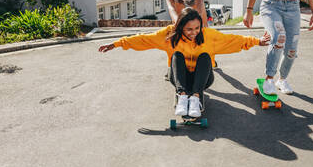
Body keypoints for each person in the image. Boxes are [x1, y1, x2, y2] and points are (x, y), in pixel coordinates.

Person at [99, 7, 270, 117]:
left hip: (203, 79)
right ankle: (182, 96)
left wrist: (256, 41)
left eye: (196, 28)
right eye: (189, 29)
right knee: (177, 56)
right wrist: (116, 44)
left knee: (204, 57)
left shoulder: (208, 36)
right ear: (180, 27)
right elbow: (143, 40)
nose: (194, 32)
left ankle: (195, 98)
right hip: (179, 77)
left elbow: (233, 40)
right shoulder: (169, 35)